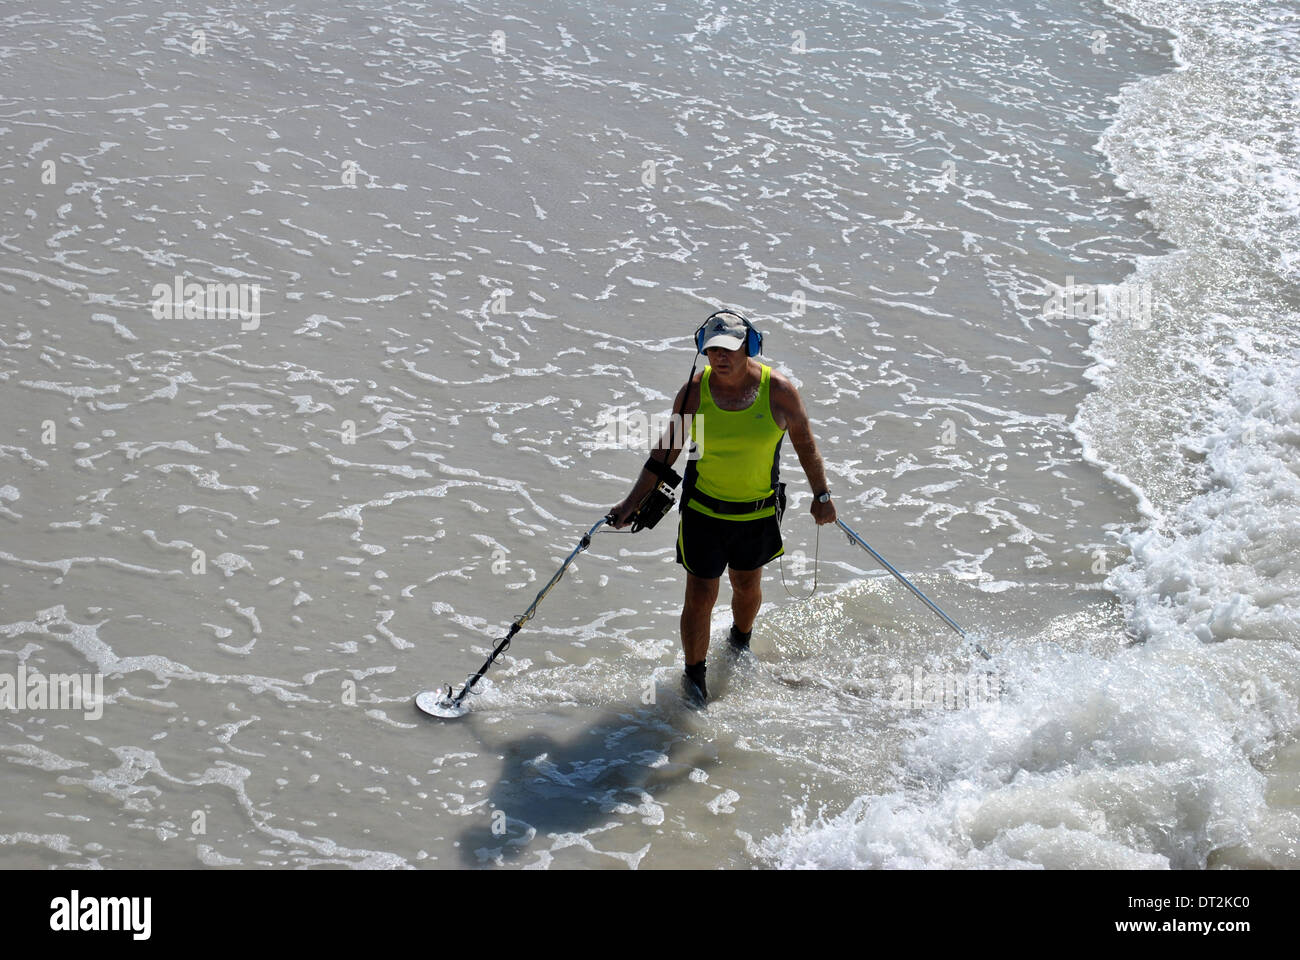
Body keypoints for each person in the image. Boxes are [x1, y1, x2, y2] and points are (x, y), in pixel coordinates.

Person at [609, 310, 837, 705]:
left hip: (757, 512)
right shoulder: (693, 393)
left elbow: (806, 444)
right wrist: (632, 502)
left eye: (729, 348)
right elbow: (666, 451)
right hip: (702, 512)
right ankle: (694, 676)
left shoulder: (779, 392)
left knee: (747, 585)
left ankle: (739, 641)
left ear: (749, 347)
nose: (720, 357)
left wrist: (821, 496)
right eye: (712, 349)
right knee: (699, 594)